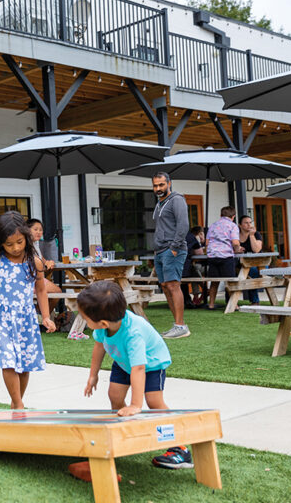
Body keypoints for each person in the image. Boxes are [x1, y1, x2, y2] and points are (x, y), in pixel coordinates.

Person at [79, 281, 193, 470]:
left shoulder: (134, 333)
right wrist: (93, 375)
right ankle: (127, 437)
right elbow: (99, 347)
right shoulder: (102, 329)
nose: (84, 320)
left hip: (151, 364)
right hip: (124, 362)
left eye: (85, 318)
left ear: (103, 322)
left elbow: (139, 368)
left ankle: (179, 448)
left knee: (154, 401)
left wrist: (135, 404)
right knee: (115, 396)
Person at [0, 211, 56, 409]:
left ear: (26, 237)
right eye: (9, 244)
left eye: (19, 242)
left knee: (25, 364)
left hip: (26, 319)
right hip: (2, 319)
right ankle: (18, 404)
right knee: (8, 361)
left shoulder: (33, 261)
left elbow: (42, 289)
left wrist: (45, 316)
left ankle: (15, 401)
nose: (15, 248)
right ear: (0, 242)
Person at [151, 172, 191, 339]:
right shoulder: (160, 203)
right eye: (155, 185)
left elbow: (183, 225)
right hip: (160, 251)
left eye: (161, 185)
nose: (158, 188)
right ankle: (177, 325)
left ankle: (181, 326)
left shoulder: (177, 200)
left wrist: (174, 248)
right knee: (166, 287)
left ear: (169, 183)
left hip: (172, 249)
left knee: (173, 285)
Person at [206, 206, 242, 310]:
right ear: (233, 216)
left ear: (221, 215)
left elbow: (207, 242)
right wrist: (237, 249)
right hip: (226, 256)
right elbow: (235, 242)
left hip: (213, 255)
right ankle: (234, 304)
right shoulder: (232, 226)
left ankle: (211, 304)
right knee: (230, 281)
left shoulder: (213, 225)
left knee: (214, 281)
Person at [26, 218, 62, 314]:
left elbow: (41, 259)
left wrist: (48, 262)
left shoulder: (35, 243)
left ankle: (39, 315)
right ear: (27, 230)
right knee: (57, 292)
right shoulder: (24, 244)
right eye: (35, 229)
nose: (39, 232)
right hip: (29, 280)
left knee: (56, 292)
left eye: (40, 230)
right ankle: (40, 316)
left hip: (37, 277)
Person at [239, 215, 264, 304]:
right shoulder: (236, 235)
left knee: (252, 271)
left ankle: (254, 301)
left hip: (258, 264)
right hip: (241, 263)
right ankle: (230, 300)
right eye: (246, 223)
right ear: (240, 225)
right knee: (230, 270)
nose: (249, 225)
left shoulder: (256, 234)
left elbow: (256, 250)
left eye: (250, 222)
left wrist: (251, 236)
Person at [181, 226, 205, 308]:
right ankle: (203, 289)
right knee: (193, 270)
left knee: (193, 270)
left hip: (175, 268)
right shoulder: (190, 237)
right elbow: (200, 253)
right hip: (185, 268)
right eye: (200, 234)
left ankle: (195, 295)